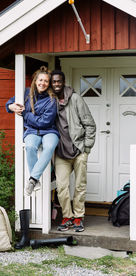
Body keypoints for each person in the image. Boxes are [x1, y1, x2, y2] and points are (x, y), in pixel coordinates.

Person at [51, 70, 96, 232]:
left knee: (79, 186)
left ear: (63, 82)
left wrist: (87, 148)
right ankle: (67, 217)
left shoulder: (75, 99)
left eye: (59, 81)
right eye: (54, 82)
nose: (56, 84)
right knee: (62, 187)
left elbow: (90, 124)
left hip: (78, 151)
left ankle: (78, 217)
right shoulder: (50, 101)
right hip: (61, 153)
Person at [6, 66, 59, 196]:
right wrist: (11, 106)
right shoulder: (26, 93)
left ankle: (33, 179)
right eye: (40, 80)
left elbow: (44, 122)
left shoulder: (52, 99)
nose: (43, 83)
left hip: (49, 131)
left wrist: (25, 114)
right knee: (29, 146)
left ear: (49, 83)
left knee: (50, 146)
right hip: (31, 131)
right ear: (35, 80)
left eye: (46, 81)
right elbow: (10, 104)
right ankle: (36, 181)